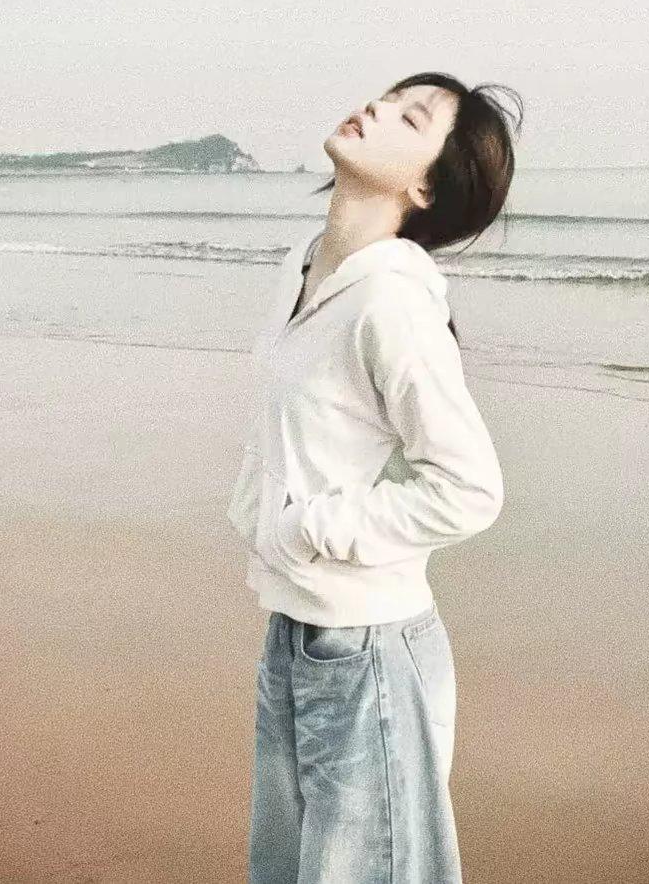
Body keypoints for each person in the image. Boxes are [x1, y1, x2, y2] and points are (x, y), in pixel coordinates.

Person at [227, 71, 523, 883]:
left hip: (369, 652)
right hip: (295, 631)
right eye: (389, 96)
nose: (377, 108)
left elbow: (468, 488)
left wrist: (310, 529)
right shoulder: (306, 269)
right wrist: (258, 515)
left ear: (425, 187)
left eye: (410, 117)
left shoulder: (391, 304)